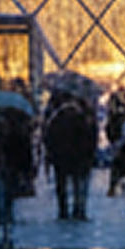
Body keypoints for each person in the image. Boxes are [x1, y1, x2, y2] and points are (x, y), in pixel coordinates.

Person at [44, 90, 96, 221]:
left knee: (61, 184)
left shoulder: (55, 118)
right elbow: (90, 138)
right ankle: (79, 209)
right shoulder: (83, 117)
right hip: (80, 156)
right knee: (79, 183)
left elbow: (48, 138)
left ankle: (63, 210)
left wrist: (50, 154)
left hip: (60, 156)